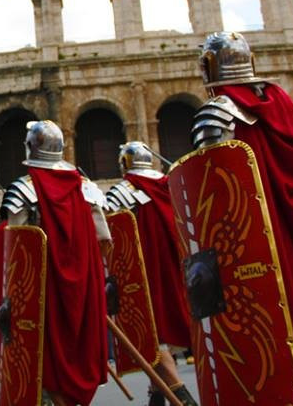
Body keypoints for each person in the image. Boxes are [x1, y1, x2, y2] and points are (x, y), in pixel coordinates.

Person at [190, 32, 293, 404]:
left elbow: (212, 202)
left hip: (248, 260)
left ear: (210, 68)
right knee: (291, 349)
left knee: (268, 358)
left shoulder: (217, 115)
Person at [0, 120, 110, 406]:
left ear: (30, 147)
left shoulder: (22, 191)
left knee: (47, 361)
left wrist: (8, 300)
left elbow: (15, 255)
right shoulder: (86, 188)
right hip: (85, 286)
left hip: (43, 291)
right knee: (80, 350)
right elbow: (105, 240)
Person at [105, 141, 198, 406]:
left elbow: (110, 237)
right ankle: (157, 395)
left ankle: (182, 397)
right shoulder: (172, 185)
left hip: (144, 274)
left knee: (149, 335)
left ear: (125, 164)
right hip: (182, 270)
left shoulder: (123, 191)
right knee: (160, 333)